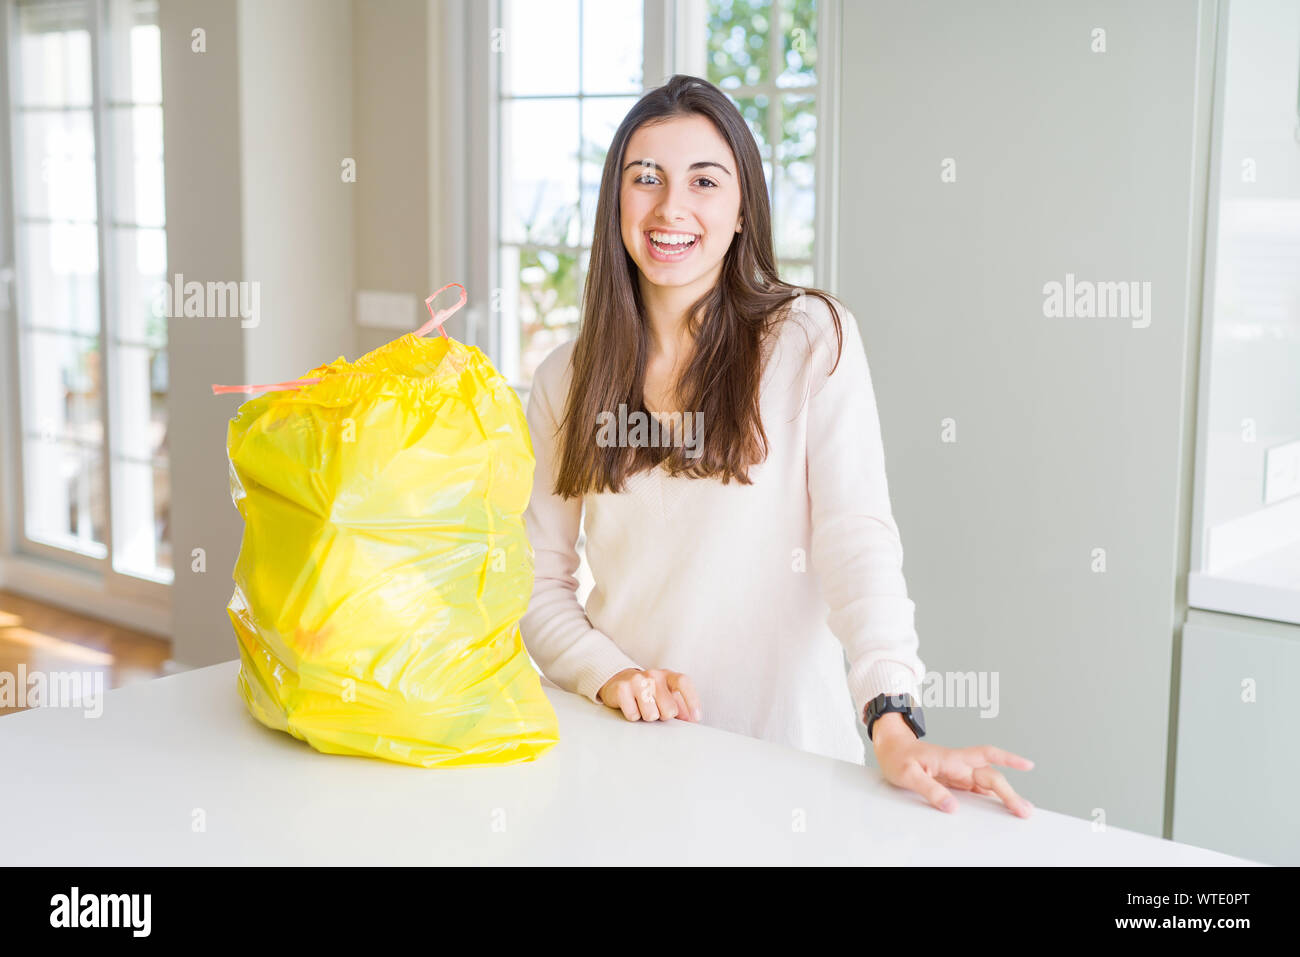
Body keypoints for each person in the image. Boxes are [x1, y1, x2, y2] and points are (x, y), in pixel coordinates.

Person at [518, 74, 1033, 817]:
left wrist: (894, 717)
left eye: (704, 180)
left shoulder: (808, 341)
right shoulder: (567, 378)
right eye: (646, 179)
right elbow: (538, 581)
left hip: (788, 768)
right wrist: (610, 674)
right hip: (628, 757)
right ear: (616, 205)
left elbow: (857, 539)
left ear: (739, 212)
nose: (671, 208)